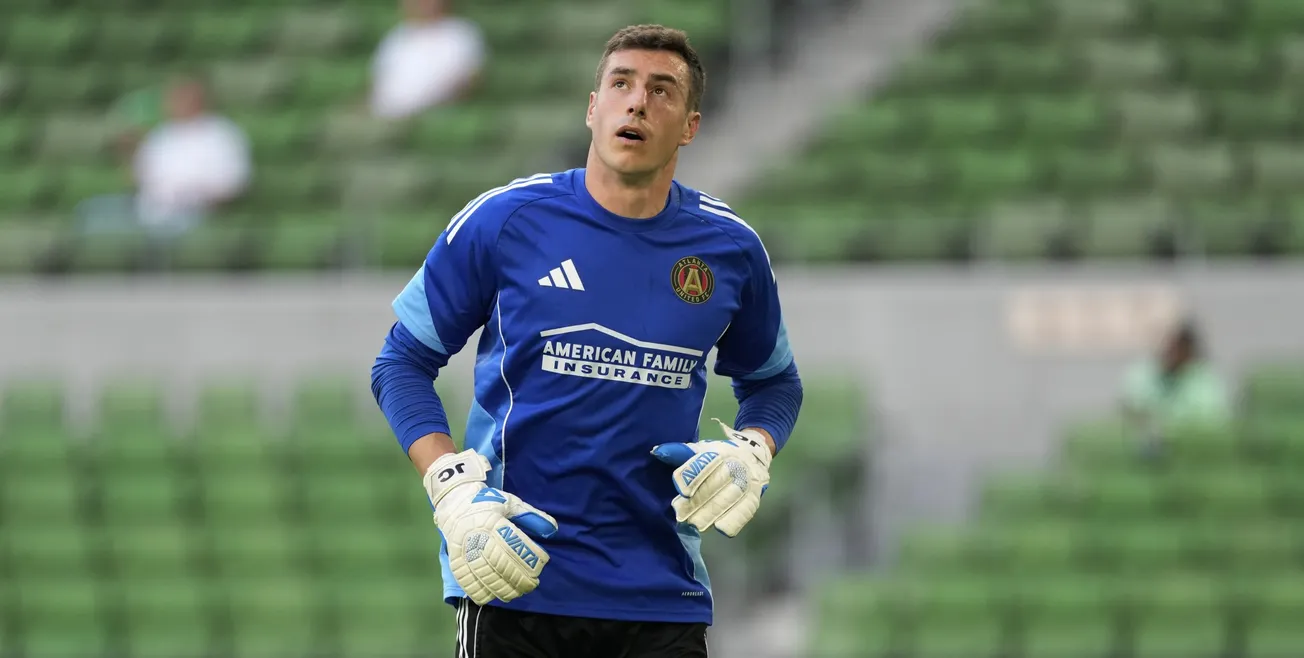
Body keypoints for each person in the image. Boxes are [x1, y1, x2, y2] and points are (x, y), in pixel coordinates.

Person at [370, 24, 803, 658]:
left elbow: (774, 383)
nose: (637, 102)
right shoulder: (506, 219)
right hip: (515, 579)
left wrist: (753, 449)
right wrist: (452, 488)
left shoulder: (731, 249)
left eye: (662, 91)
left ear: (689, 125)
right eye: (621, 84)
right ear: (592, 107)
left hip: (661, 595)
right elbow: (400, 363)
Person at [1120, 319, 1231, 455]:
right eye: (1168, 346)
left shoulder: (1206, 382)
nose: (1171, 353)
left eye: (1177, 348)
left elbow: (1210, 423)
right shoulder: (1145, 372)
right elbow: (1131, 406)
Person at [369, 0, 486, 119]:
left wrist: (428, 111)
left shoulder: (462, 34)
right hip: (384, 116)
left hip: (432, 117)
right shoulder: (397, 36)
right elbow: (376, 84)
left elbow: (469, 81)